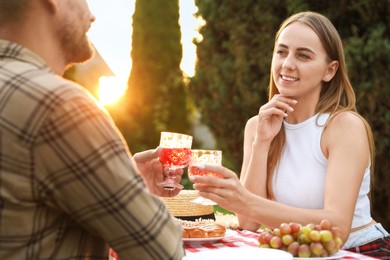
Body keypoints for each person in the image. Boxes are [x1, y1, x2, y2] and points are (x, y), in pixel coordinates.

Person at [190, 11, 390, 258]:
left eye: (303, 55)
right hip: (295, 251)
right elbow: (248, 222)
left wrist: (243, 200)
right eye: (281, 52)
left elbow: (337, 229)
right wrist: (262, 141)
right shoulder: (257, 126)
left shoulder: (343, 126)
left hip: (360, 250)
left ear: (330, 70)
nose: (287, 64)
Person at [0, 0, 185, 259]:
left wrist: (125, 182)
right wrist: (138, 200)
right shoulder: (58, 104)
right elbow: (161, 251)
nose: (93, 16)